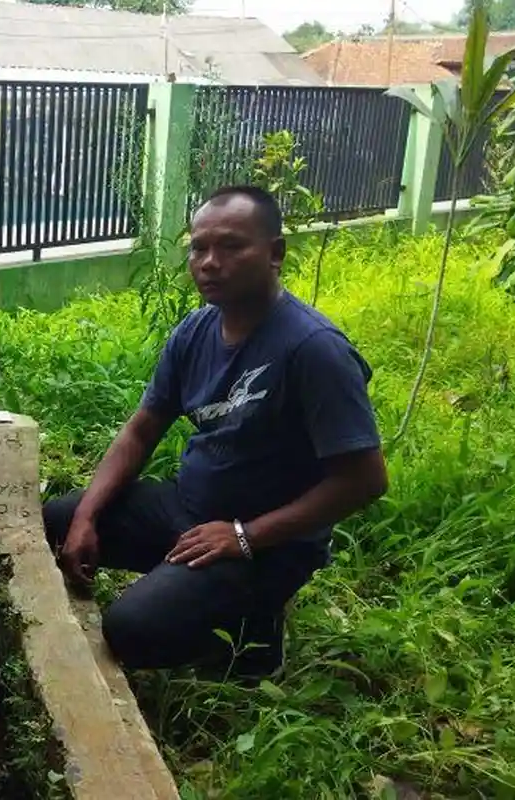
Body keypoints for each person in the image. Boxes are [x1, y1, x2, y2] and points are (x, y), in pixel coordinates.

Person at [43, 185, 388, 680]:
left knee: (130, 629)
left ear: (274, 254)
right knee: (54, 521)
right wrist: (87, 516)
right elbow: (142, 430)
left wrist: (245, 537)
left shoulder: (314, 350)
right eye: (199, 248)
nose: (208, 262)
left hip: (266, 542)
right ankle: (195, 589)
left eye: (230, 247)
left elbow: (365, 479)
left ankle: (254, 635)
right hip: (189, 509)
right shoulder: (196, 330)